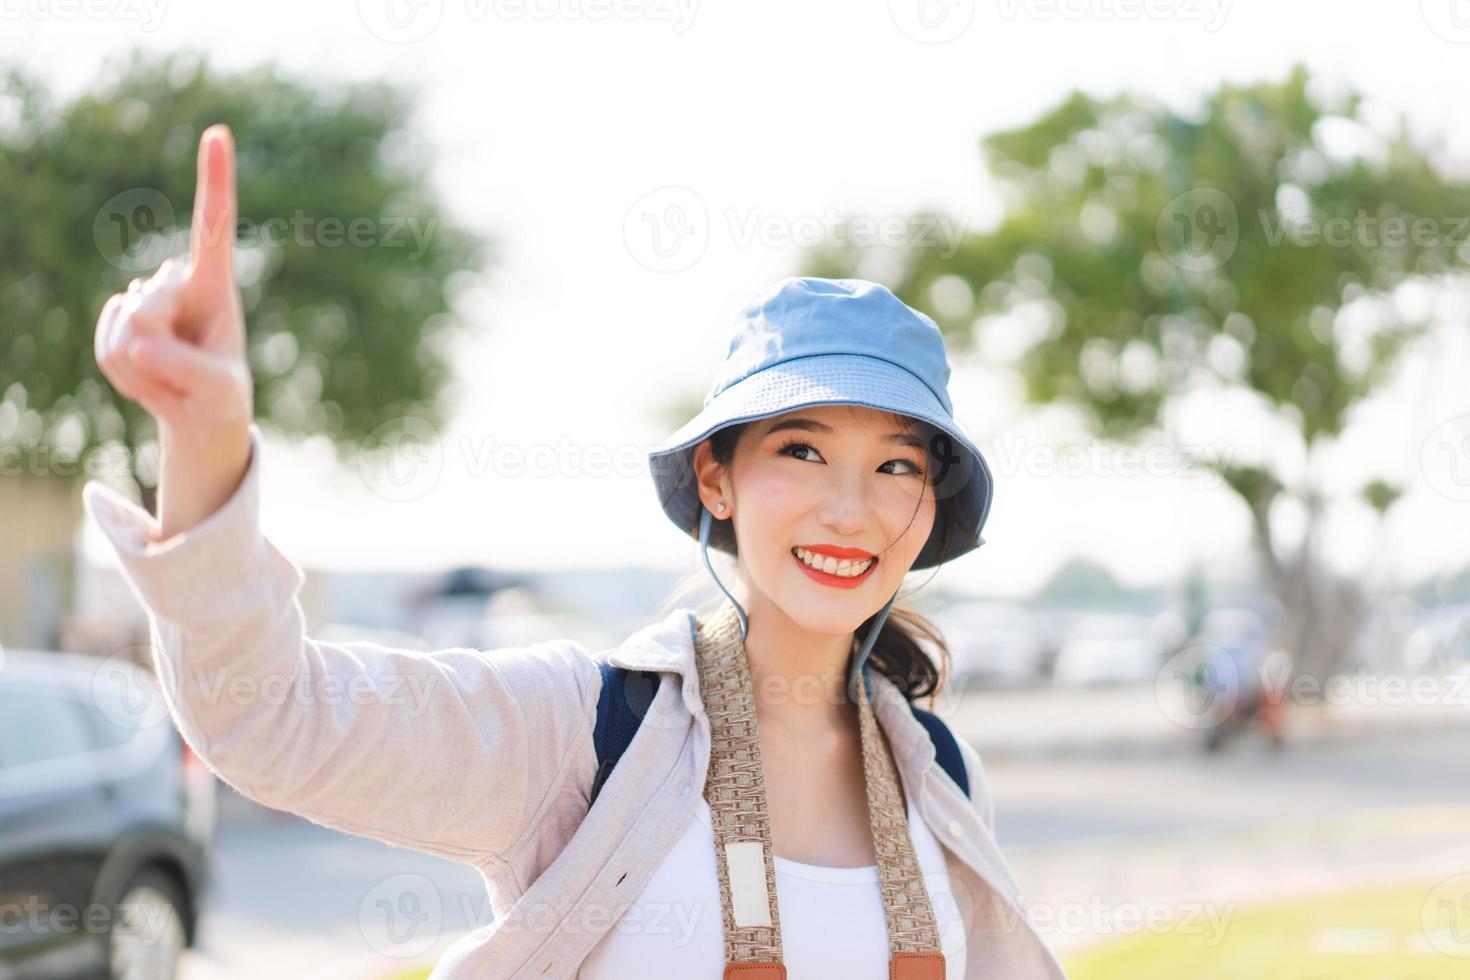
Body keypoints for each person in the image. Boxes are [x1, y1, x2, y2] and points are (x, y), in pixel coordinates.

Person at [88, 124, 1067, 979]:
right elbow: (272, 720)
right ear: (716, 478)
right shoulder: (595, 729)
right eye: (802, 449)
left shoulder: (937, 769)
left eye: (897, 464)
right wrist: (204, 436)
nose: (852, 509)